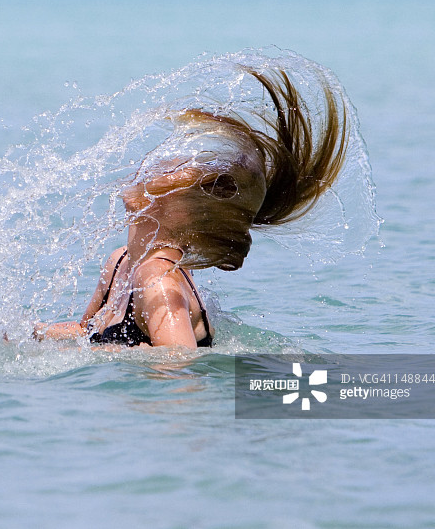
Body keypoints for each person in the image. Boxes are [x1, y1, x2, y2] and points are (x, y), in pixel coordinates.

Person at [33, 66, 348, 349]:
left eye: (168, 172)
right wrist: (37, 332)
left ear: (178, 207)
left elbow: (181, 372)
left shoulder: (158, 282)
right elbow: (86, 330)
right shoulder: (120, 263)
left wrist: (118, 358)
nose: (156, 166)